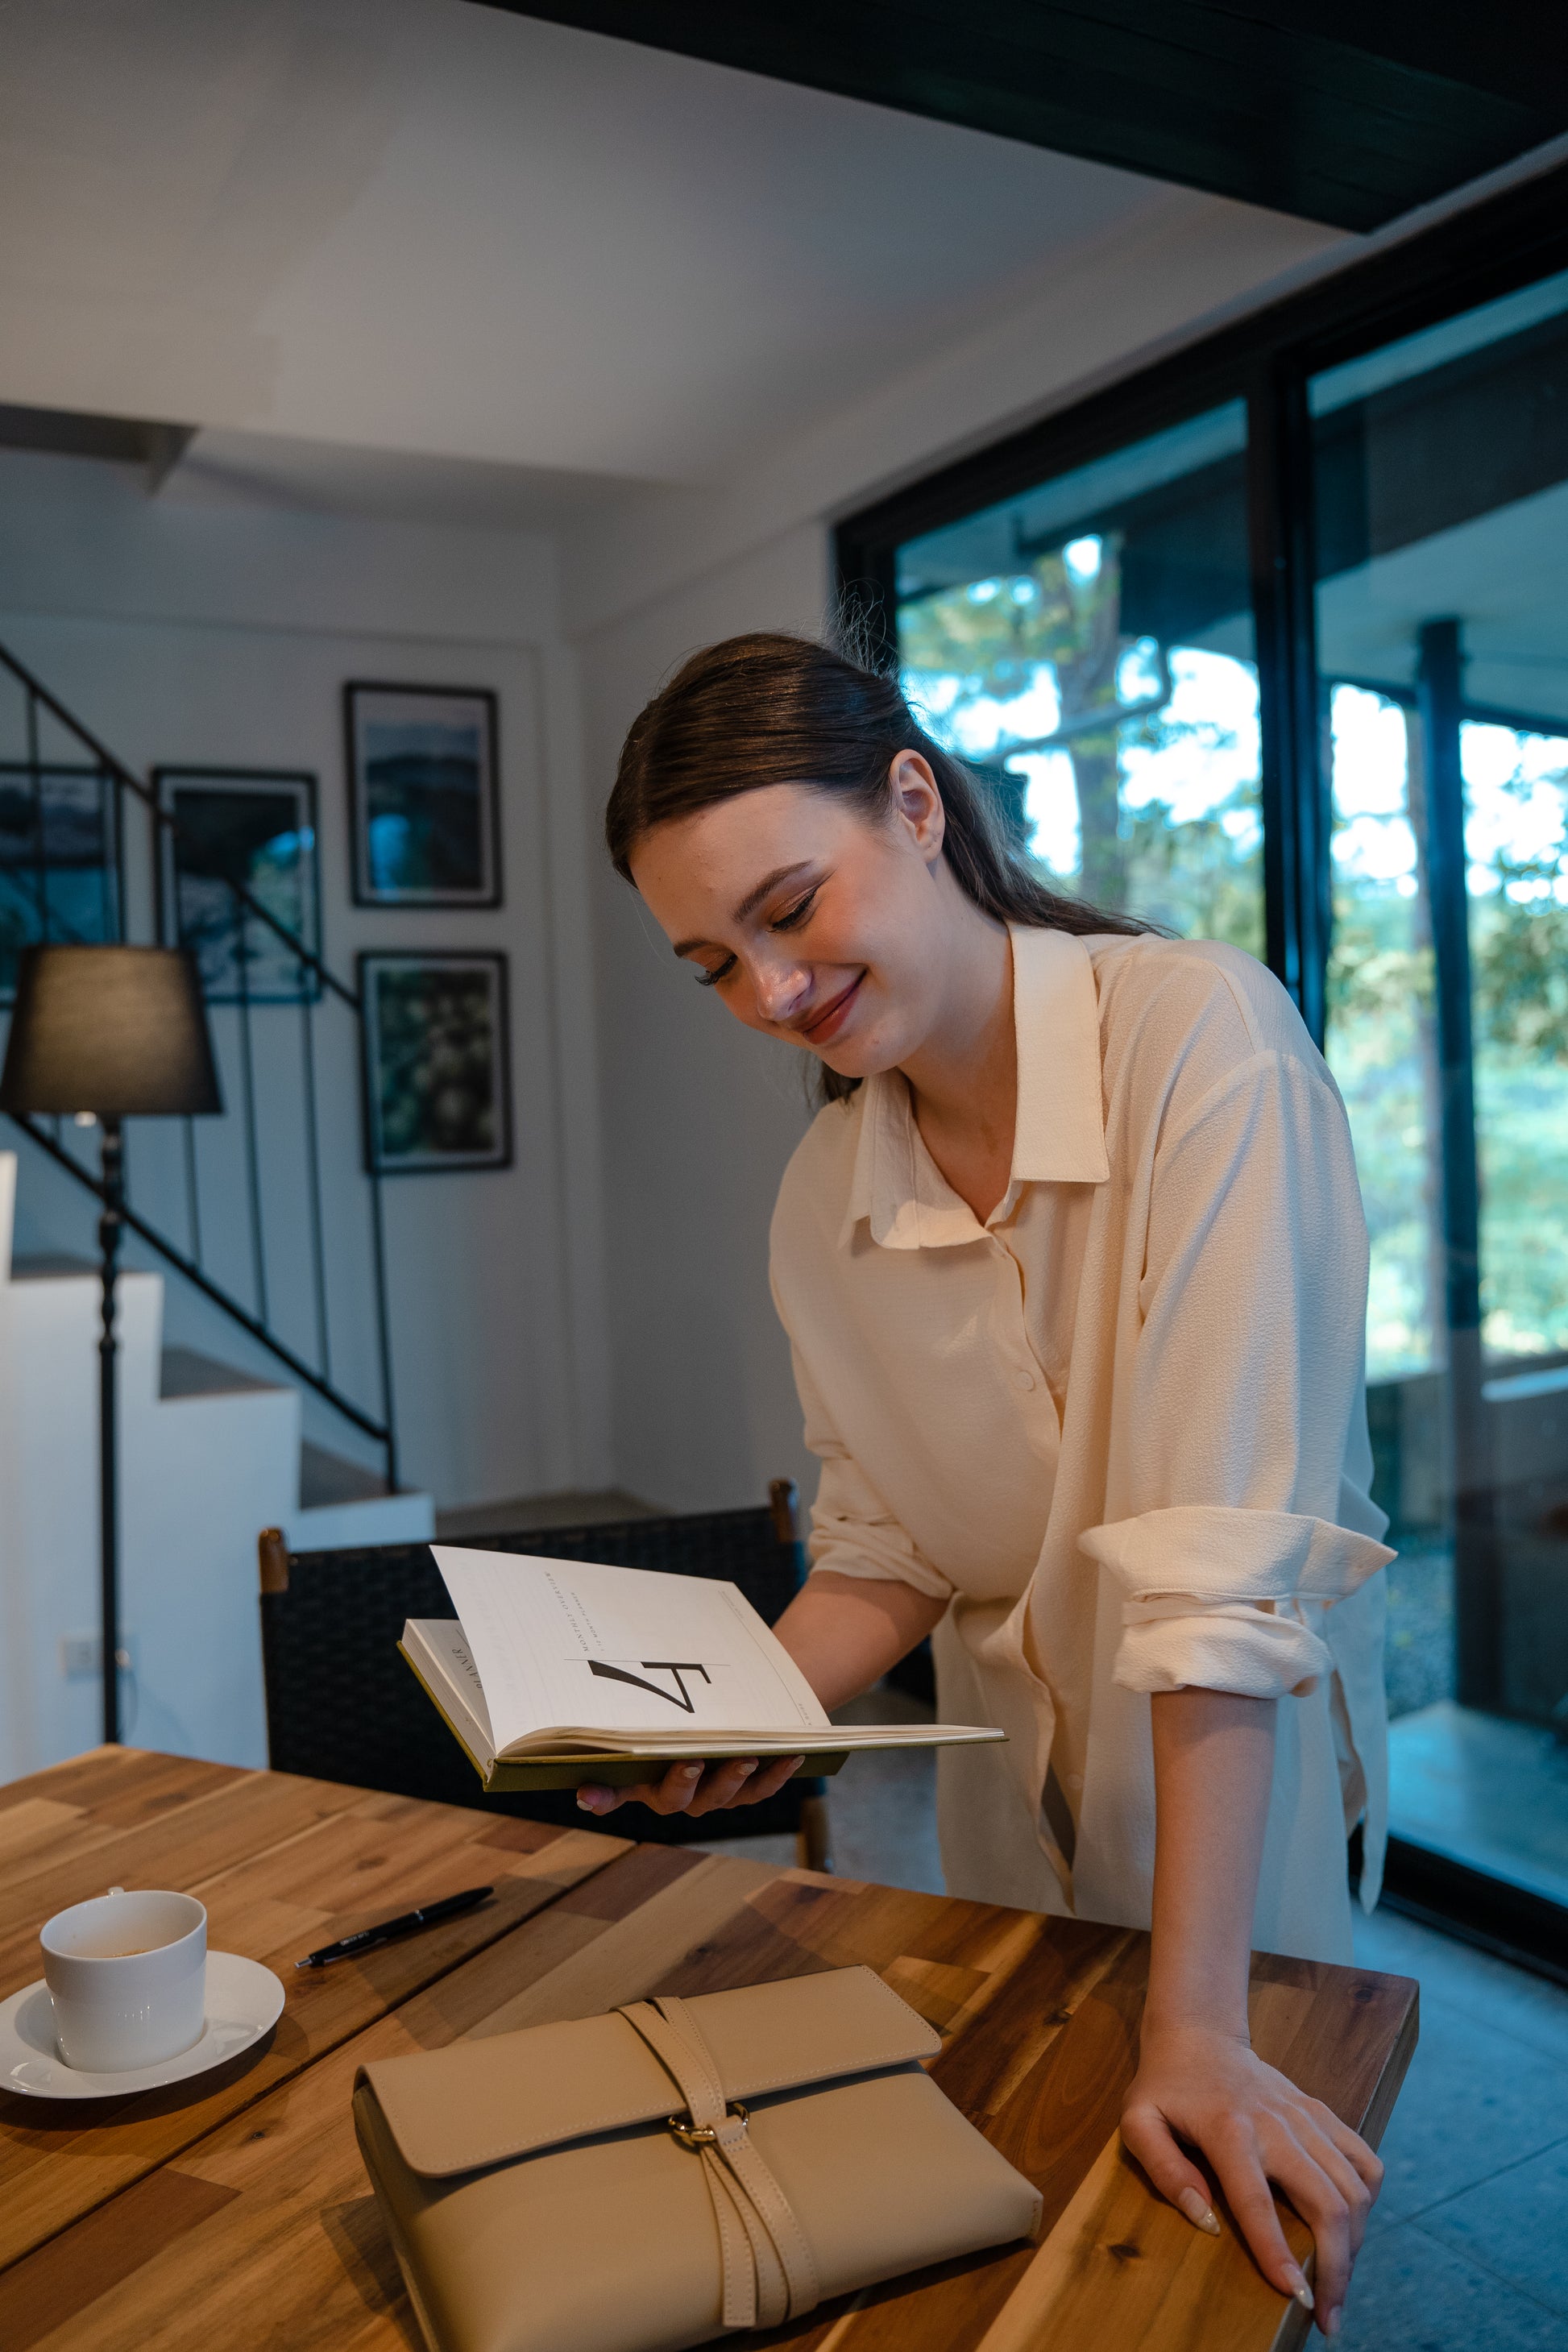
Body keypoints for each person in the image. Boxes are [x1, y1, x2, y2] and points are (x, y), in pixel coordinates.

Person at [585, 631, 1390, 2337]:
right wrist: (747, 1706)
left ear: (912, 798)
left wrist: (1198, 2020)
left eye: (789, 908)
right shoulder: (828, 1186)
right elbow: (891, 1541)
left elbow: (1219, 1584)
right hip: (999, 1848)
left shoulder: (1205, 1043)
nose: (770, 994)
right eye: (711, 962)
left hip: (1230, 1857)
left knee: (1226, 2274)